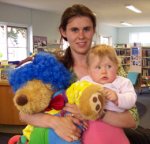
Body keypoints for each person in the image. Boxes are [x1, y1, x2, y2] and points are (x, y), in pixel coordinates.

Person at [20, 4, 140, 143]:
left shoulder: (110, 68)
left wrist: (95, 113)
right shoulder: (53, 68)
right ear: (63, 32)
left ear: (93, 30)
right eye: (74, 30)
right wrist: (55, 122)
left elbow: (133, 119)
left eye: (86, 29)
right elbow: (24, 113)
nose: (81, 36)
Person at [80, 44, 137, 143]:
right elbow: (74, 93)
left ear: (117, 67)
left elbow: (131, 98)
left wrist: (118, 98)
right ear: (89, 70)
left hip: (115, 125)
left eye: (109, 66)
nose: (104, 71)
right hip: (91, 126)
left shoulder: (122, 82)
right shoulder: (86, 81)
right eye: (98, 67)